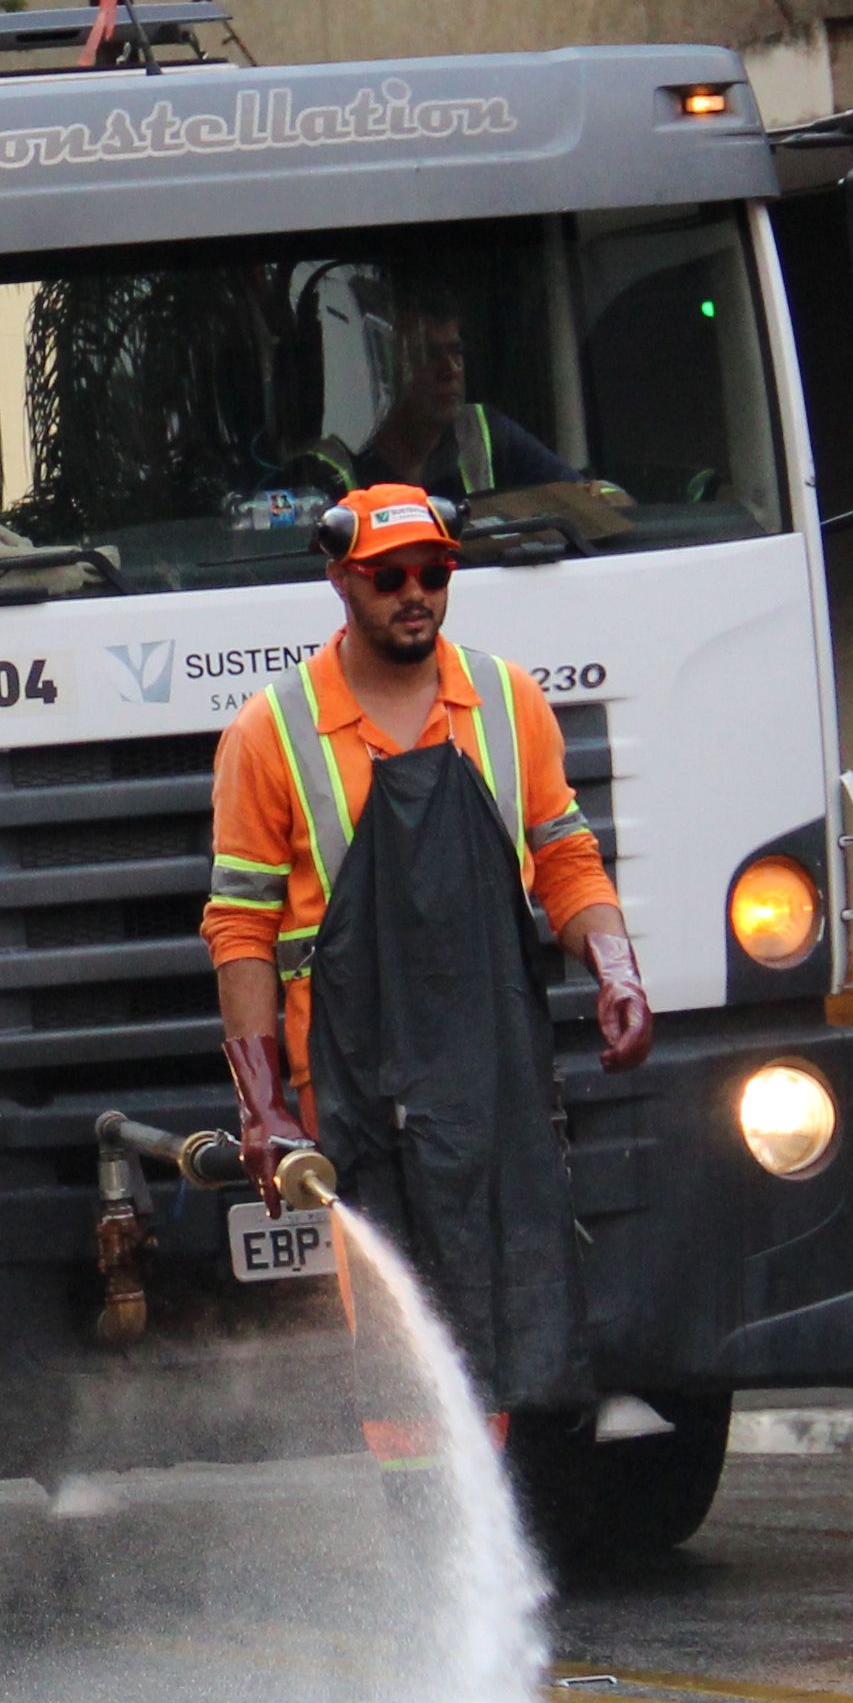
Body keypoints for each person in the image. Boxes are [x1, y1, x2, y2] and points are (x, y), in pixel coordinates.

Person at [201, 483, 650, 1405]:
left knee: (510, 1317)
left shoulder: (505, 700)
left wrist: (614, 968)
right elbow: (239, 925)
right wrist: (262, 1105)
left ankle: (492, 1531)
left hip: (493, 1072)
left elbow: (565, 856)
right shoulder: (269, 734)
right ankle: (431, 1527)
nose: (415, 593)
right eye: (387, 577)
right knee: (408, 1344)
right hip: (358, 1082)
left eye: (434, 573)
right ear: (340, 581)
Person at [318, 291, 568, 498]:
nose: (450, 370)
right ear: (384, 367)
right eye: (428, 355)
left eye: (456, 352)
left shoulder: (484, 433)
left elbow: (588, 498)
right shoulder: (329, 472)